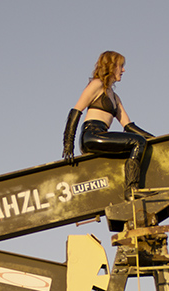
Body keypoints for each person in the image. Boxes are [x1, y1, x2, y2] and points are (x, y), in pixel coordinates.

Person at [62, 50, 154, 199]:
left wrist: (155, 139)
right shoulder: (96, 85)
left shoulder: (115, 97)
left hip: (103, 135)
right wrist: (68, 144)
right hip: (91, 135)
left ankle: (131, 186)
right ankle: (131, 190)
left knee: (139, 145)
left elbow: (129, 126)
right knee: (138, 142)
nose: (123, 70)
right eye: (121, 66)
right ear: (111, 66)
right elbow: (76, 110)